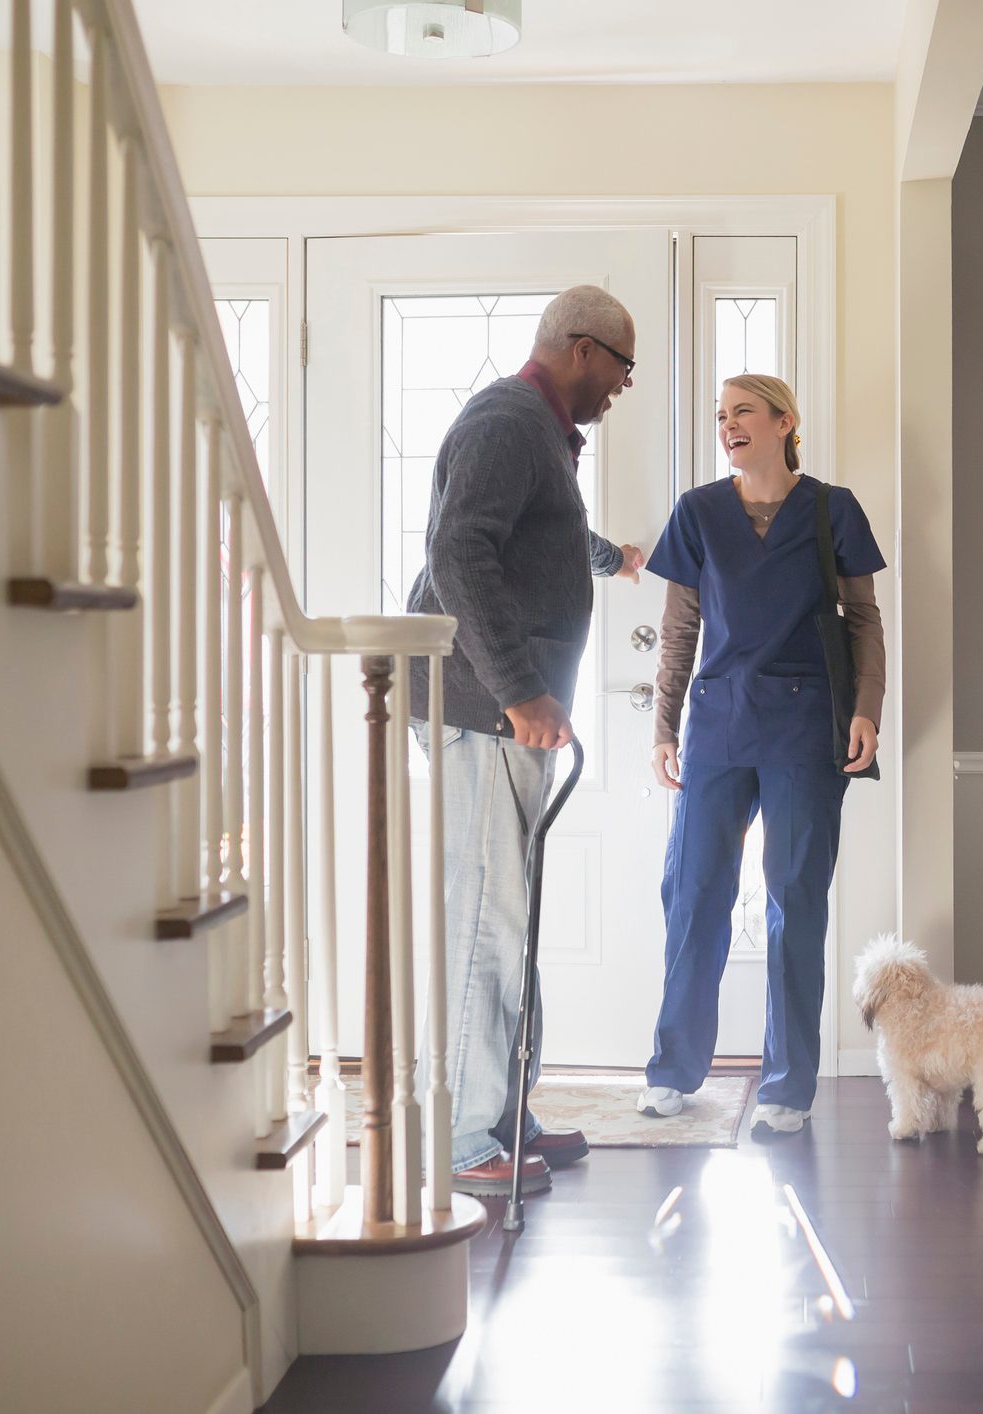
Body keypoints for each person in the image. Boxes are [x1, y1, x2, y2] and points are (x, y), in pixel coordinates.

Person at [407, 285, 646, 1197]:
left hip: (498, 708)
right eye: (621, 369)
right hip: (483, 709)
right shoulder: (508, 421)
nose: (622, 388)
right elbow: (458, 552)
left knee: (513, 918)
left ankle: (505, 1112)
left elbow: (537, 537)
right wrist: (520, 693)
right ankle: (469, 1141)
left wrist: (610, 557)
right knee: (486, 919)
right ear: (583, 351)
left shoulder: (536, 435)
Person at [635, 373, 886, 1134]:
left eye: (742, 411)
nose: (727, 424)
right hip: (716, 724)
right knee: (693, 896)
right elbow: (680, 630)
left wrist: (867, 711)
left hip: (806, 728)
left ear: (785, 422)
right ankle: (674, 1070)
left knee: (794, 900)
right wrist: (664, 727)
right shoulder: (697, 512)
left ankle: (786, 1088)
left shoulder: (830, 508)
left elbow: (863, 621)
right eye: (720, 415)